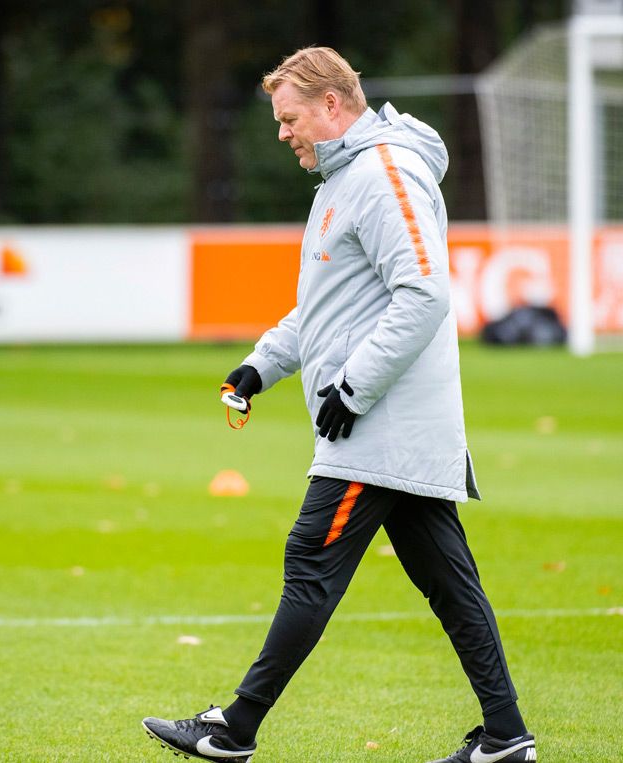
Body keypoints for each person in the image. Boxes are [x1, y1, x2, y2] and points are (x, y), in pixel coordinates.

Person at [141, 47, 536, 763]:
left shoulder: (384, 176)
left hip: (379, 427)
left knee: (310, 561)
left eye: (289, 118)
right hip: (388, 431)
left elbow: (425, 294)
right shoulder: (345, 180)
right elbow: (326, 309)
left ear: (331, 105)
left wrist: (352, 389)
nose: (283, 132)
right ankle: (505, 736)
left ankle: (235, 728)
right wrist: (261, 365)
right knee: (451, 583)